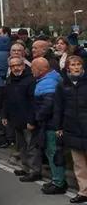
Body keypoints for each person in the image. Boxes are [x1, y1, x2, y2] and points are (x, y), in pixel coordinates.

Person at [32, 57, 67, 195]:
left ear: (40, 69)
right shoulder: (51, 78)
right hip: (51, 122)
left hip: (51, 123)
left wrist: (39, 116)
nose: (32, 70)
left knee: (53, 152)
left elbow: (49, 104)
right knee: (52, 151)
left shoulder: (48, 82)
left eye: (33, 68)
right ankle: (56, 179)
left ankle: (59, 182)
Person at [1, 55, 40, 182]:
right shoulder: (9, 80)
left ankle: (35, 171)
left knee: (31, 147)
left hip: (27, 119)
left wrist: (31, 120)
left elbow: (33, 103)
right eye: (12, 66)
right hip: (15, 118)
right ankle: (25, 168)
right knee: (21, 146)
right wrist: (5, 115)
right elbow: (6, 99)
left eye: (18, 65)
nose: (15, 68)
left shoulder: (30, 80)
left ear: (23, 65)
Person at [54, 55, 87, 202]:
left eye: (78, 64)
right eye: (73, 65)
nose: (76, 67)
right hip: (71, 127)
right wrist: (59, 126)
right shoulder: (62, 85)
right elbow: (58, 107)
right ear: (68, 67)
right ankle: (83, 192)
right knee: (79, 163)